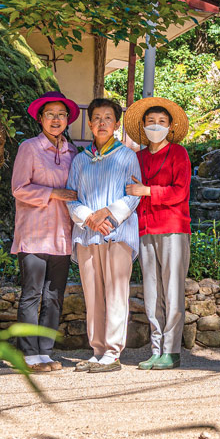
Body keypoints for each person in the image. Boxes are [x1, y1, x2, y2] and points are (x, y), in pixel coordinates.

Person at [65, 98, 142, 373]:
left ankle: (113, 352)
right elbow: (71, 197)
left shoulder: (127, 156)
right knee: (93, 294)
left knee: (116, 291)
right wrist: (90, 218)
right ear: (89, 123)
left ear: (117, 125)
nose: (101, 123)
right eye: (96, 118)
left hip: (118, 233)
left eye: (108, 118)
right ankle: (97, 350)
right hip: (88, 234)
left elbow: (133, 196)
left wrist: (107, 215)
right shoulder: (79, 160)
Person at [10, 91, 80, 373]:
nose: (55, 119)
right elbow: (19, 188)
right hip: (35, 233)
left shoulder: (73, 152)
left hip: (62, 236)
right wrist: (54, 193)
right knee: (31, 293)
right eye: (50, 114)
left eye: (61, 115)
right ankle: (29, 355)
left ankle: (46, 352)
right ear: (40, 118)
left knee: (54, 295)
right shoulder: (29, 148)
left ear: (67, 120)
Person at [122, 97, 191, 371]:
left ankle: (171, 351)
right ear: (142, 125)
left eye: (161, 122)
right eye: (151, 121)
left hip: (173, 228)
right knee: (152, 293)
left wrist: (148, 190)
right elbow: (127, 189)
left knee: (173, 290)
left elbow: (180, 192)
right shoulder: (136, 158)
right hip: (144, 228)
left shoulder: (179, 154)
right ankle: (156, 348)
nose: (156, 126)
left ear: (170, 126)